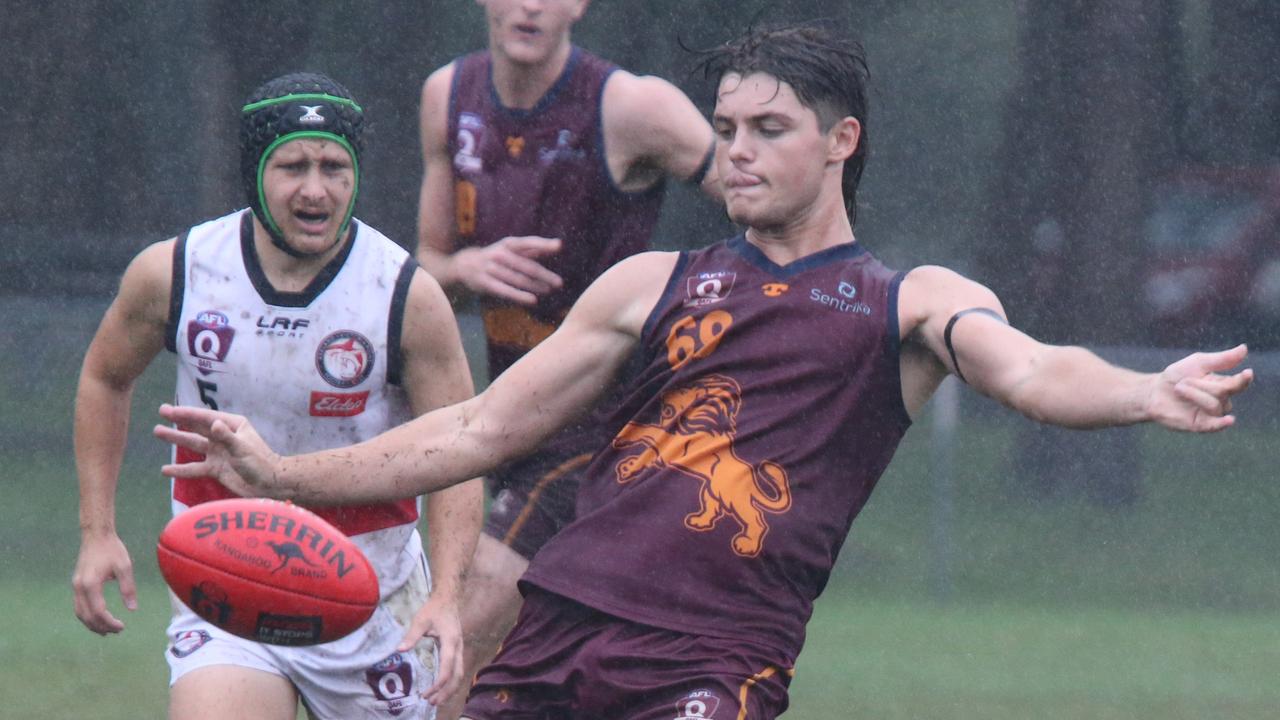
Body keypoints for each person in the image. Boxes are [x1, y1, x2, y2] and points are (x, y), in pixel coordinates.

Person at [155, 25, 1253, 720]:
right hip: (554, 630)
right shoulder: (648, 283)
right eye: (724, 127)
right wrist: (289, 477)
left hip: (712, 661)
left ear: (839, 141)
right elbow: (479, 431)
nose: (733, 149)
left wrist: (1140, 392)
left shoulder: (903, 301)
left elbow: (1032, 371)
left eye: (767, 128)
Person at [72, 72, 483, 720]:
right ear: (254, 171)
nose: (315, 189)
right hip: (230, 582)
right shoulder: (178, 272)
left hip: (373, 600)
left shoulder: (404, 294)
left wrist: (449, 597)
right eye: (292, 165)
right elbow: (105, 377)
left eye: (334, 166)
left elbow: (459, 450)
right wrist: (98, 533)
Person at [414, 0, 720, 712]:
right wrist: (468, 268)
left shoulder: (633, 107)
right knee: (525, 674)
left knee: (451, 637)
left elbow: (764, 195)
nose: (530, 5)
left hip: (610, 429)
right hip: (512, 421)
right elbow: (427, 267)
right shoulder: (446, 95)